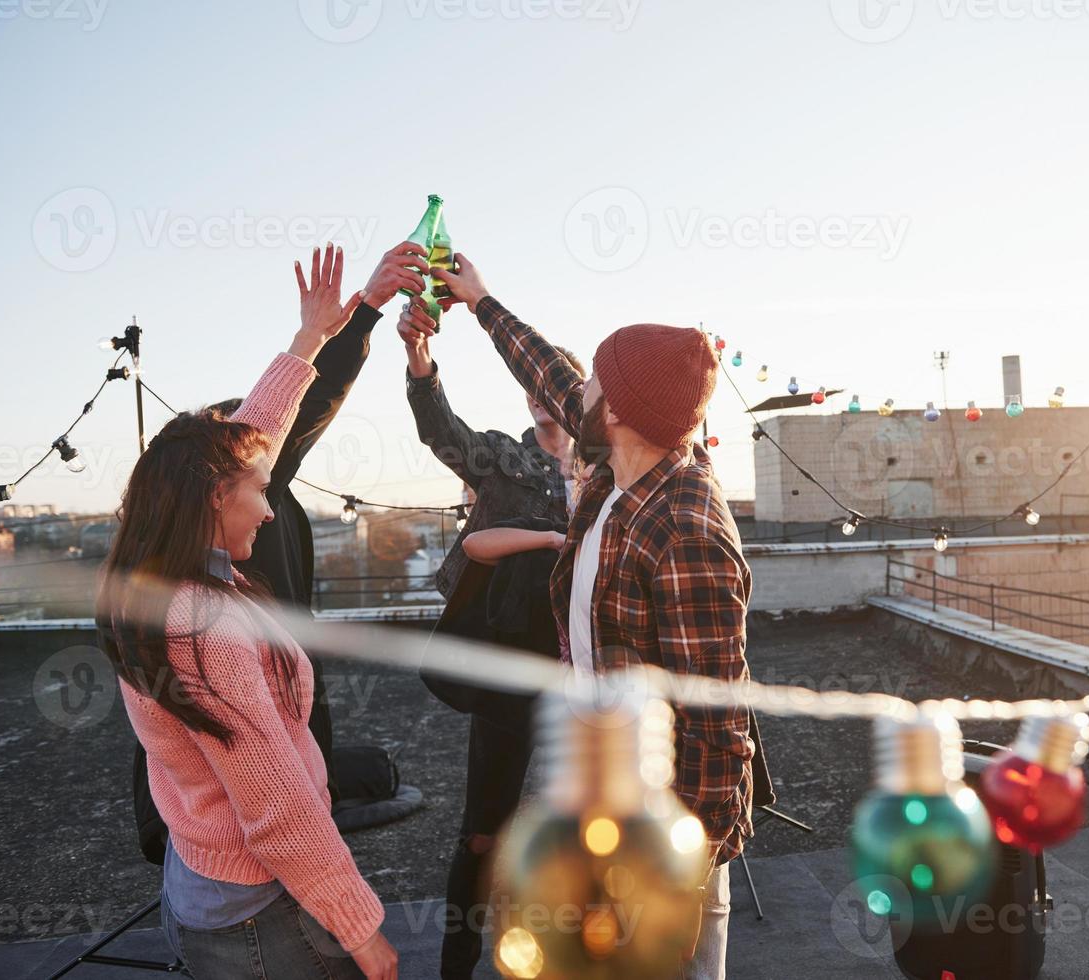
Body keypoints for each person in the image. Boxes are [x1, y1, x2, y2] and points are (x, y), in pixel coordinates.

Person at [428, 254, 755, 980]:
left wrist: (678, 865)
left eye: (596, 384)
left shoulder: (686, 524)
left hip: (665, 834)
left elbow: (717, 719)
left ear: (617, 411)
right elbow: (548, 373)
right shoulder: (617, 469)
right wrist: (481, 301)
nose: (578, 392)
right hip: (608, 796)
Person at [97, 246, 398, 980]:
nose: (269, 510)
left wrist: (312, 339)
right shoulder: (206, 630)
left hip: (205, 884)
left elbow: (251, 437)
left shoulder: (152, 574)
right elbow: (278, 810)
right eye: (258, 493)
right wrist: (362, 932)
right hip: (261, 918)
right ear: (211, 500)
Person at [131, 241, 433, 864]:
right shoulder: (200, 613)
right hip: (243, 856)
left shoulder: (157, 562)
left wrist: (332, 325)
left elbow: (276, 413)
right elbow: (284, 414)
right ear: (214, 488)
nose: (266, 503)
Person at [397, 297, 583, 980]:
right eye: (533, 388)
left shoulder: (605, 475)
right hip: (507, 663)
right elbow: (439, 429)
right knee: (483, 831)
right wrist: (420, 360)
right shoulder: (504, 457)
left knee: (584, 824)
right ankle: (456, 963)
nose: (542, 400)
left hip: (582, 668)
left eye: (554, 387)